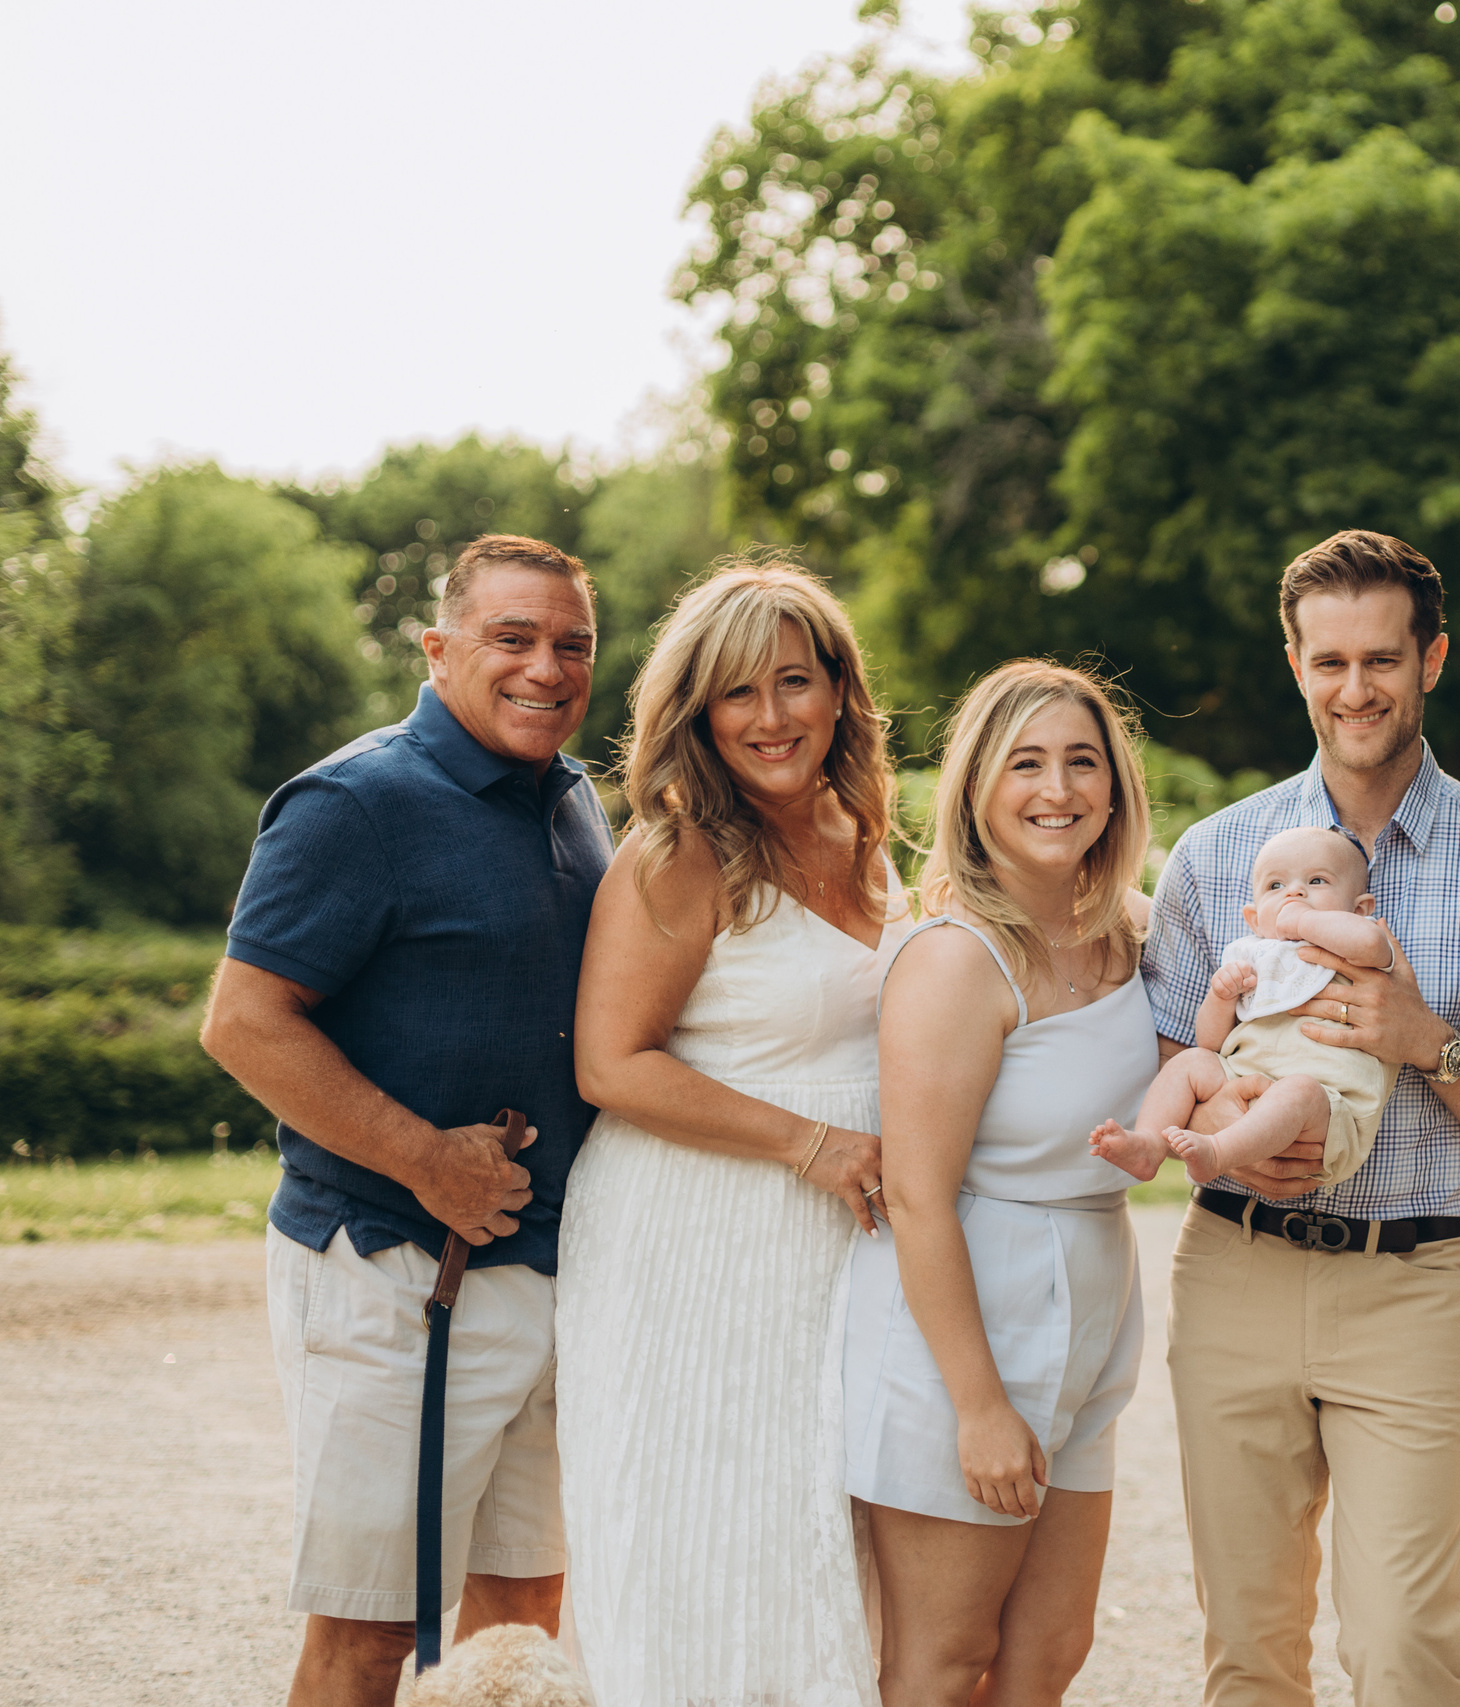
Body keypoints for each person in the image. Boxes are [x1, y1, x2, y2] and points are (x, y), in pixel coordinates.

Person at [1143, 529, 1460, 1706]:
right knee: (1247, 1651)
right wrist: (1239, 1121)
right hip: (1233, 1269)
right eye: (1328, 661)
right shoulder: (1213, 858)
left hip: (1413, 1287)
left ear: (1431, 659)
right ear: (1294, 664)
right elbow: (1168, 1060)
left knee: (1403, 1657)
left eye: (1382, 659)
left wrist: (1423, 1039)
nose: (1356, 689)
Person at [199, 535, 610, 1707]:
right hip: (389, 1267)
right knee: (371, 1637)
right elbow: (243, 1022)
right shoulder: (354, 802)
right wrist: (424, 1160)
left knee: (519, 1627)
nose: (545, 668)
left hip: (542, 1272)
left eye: (570, 644)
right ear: (438, 650)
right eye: (512, 639)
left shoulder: (575, 799)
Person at [555, 562, 902, 1706]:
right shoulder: (678, 852)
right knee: (706, 1534)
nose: (771, 718)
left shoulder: (864, 830)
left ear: (840, 691)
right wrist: (811, 1146)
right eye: (737, 694)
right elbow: (612, 1064)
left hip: (836, 1253)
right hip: (693, 1243)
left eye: (795, 682)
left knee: (818, 1523)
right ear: (698, 714)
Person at [844, 660, 1159, 1706]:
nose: (1056, 789)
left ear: (1115, 788)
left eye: (1081, 762)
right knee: (942, 1663)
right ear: (977, 787)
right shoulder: (953, 958)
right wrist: (978, 1405)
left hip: (1091, 1319)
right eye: (1025, 763)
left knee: (1045, 1656)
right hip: (968, 1331)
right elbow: (917, 1195)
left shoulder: (1136, 934)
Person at [1089, 824, 1395, 1189]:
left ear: (1359, 908)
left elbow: (1370, 943)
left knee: (1299, 1091)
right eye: (1275, 886)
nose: (1294, 892)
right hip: (1243, 1082)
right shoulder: (1252, 955)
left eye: (1316, 881)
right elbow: (1211, 1042)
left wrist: (1302, 920)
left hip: (1327, 1106)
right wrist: (1221, 997)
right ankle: (1150, 1145)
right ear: (1253, 919)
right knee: (1191, 1062)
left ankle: (1216, 1154)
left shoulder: (1360, 940)